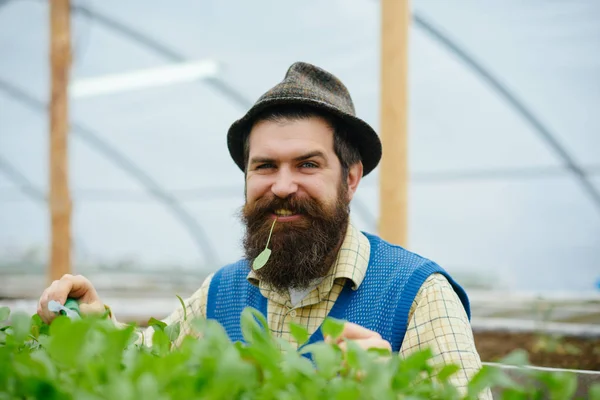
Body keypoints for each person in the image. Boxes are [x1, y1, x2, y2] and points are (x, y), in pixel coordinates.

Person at [37, 61, 490, 397]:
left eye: (308, 164)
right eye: (265, 166)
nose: (283, 185)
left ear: (350, 178)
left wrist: (387, 389)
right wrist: (97, 325)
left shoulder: (418, 295)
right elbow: (152, 364)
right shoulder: (222, 292)